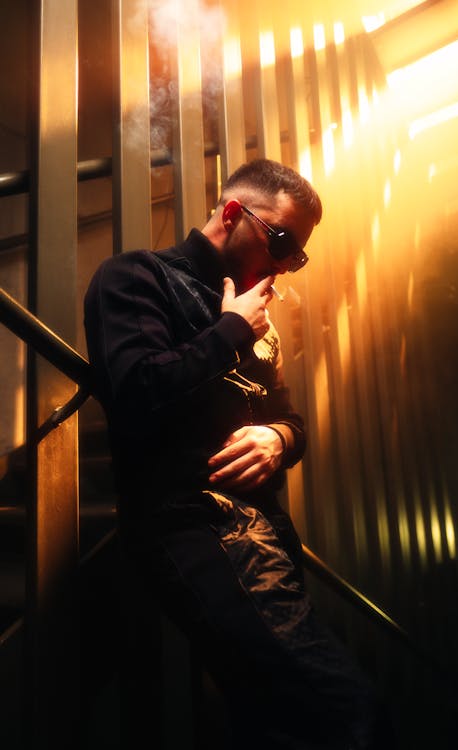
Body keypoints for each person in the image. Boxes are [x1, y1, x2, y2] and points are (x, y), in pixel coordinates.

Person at [84, 159, 388, 749]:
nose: (282, 264)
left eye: (295, 254)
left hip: (268, 537)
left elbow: (289, 419)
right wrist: (229, 333)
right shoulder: (137, 277)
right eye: (279, 241)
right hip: (194, 525)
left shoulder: (256, 317)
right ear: (230, 213)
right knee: (352, 715)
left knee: (272, 726)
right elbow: (134, 392)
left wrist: (280, 439)